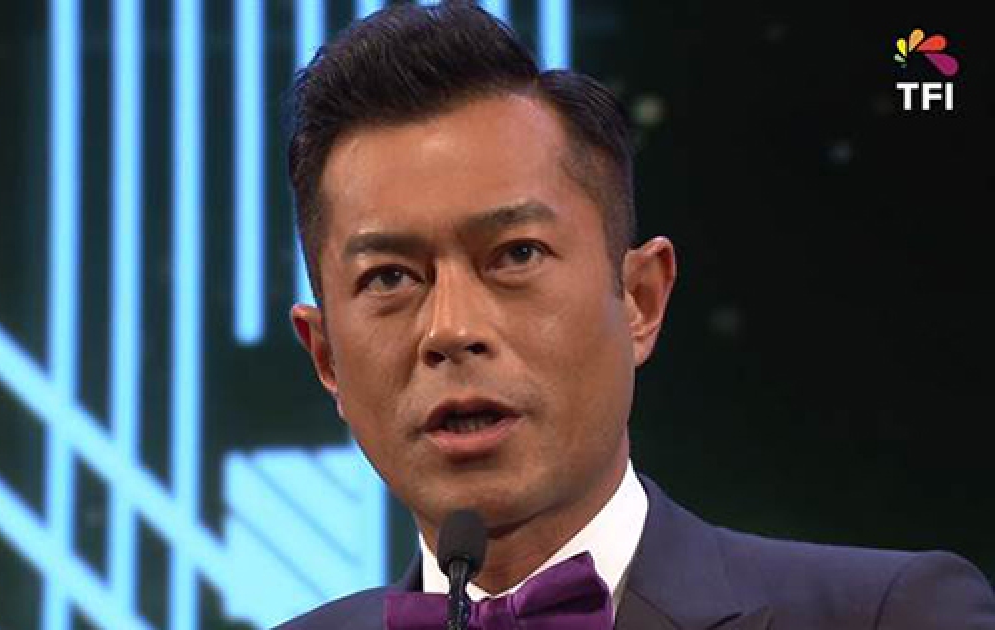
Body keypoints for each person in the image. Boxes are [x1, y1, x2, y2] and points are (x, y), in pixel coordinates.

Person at [277, 3, 995, 628]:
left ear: (641, 299)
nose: (452, 330)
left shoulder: (890, 613)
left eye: (516, 254)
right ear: (326, 358)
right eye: (390, 277)